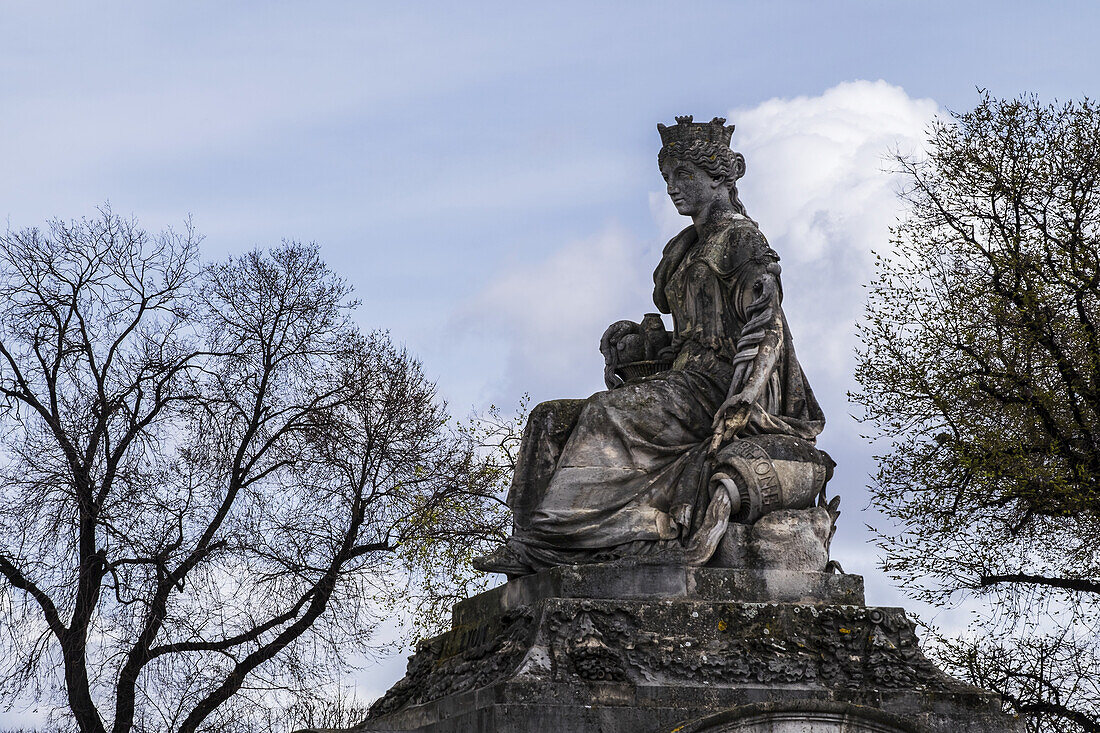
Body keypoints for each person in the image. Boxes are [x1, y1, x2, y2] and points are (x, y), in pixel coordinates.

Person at [475, 116, 827, 577]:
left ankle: (561, 541)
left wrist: (743, 400)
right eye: (667, 178)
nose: (672, 188)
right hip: (680, 381)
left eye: (684, 176)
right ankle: (529, 541)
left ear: (720, 176)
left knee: (606, 412)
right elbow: (682, 337)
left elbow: (766, 327)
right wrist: (638, 341)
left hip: (716, 387)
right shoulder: (682, 249)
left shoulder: (739, 240)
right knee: (548, 418)